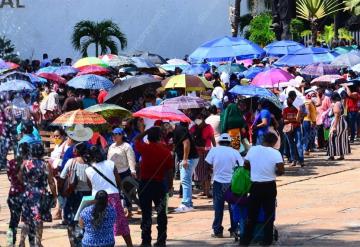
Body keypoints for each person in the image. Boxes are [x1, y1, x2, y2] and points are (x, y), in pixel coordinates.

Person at [240, 133, 284, 246]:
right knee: (269, 214)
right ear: (274, 142)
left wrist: (255, 169)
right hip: (269, 186)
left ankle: (245, 241)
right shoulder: (276, 153)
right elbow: (281, 171)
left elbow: (245, 165)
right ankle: (267, 240)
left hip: (255, 186)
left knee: (251, 215)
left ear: (263, 139)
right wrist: (272, 170)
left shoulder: (253, 150)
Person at [84, 146, 133, 247]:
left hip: (97, 198)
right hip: (113, 196)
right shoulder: (111, 164)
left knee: (99, 223)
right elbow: (119, 181)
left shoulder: (88, 170)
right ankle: (130, 245)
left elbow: (90, 186)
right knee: (121, 223)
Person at [134, 127, 174, 247]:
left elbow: (136, 139)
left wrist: (147, 131)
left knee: (146, 214)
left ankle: (146, 241)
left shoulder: (145, 148)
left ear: (148, 137)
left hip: (145, 184)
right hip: (160, 185)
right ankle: (161, 240)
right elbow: (170, 171)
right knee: (161, 214)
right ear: (160, 137)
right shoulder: (166, 151)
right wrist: (170, 186)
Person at [18, 142, 57, 247]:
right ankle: (38, 242)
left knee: (26, 219)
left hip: (28, 193)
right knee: (39, 220)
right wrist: (55, 195)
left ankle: (22, 242)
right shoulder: (45, 164)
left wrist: (27, 186)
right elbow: (51, 182)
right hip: (40, 195)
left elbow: (19, 178)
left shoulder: (25, 163)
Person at [205, 133, 243, 238]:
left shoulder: (213, 150)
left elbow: (207, 164)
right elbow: (241, 166)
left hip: (218, 182)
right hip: (232, 183)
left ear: (219, 142)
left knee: (218, 207)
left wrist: (212, 171)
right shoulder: (235, 152)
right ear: (229, 142)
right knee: (233, 207)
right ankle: (234, 230)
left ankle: (218, 231)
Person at [59, 142, 92, 246]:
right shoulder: (90, 163)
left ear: (77, 151)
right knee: (86, 220)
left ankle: (73, 244)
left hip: (73, 195)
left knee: (71, 221)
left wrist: (61, 193)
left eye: (74, 149)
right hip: (88, 195)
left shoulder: (70, 162)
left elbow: (61, 178)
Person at [107, 128, 136, 214]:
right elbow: (108, 159)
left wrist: (132, 170)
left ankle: (128, 209)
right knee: (116, 191)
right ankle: (119, 210)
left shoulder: (126, 146)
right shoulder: (111, 146)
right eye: (113, 134)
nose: (114, 136)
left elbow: (131, 159)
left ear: (122, 135)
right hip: (113, 172)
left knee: (126, 191)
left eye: (117, 134)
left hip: (124, 172)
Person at [173, 122, 199, 213]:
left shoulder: (179, 129)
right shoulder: (179, 129)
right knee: (186, 180)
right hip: (191, 158)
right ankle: (188, 203)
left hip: (189, 158)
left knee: (185, 181)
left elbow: (186, 143)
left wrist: (185, 159)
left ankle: (186, 204)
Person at [190, 112, 215, 198]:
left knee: (206, 171)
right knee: (201, 172)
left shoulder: (208, 127)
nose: (198, 120)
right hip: (198, 152)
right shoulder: (193, 128)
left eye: (199, 118)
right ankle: (205, 191)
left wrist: (214, 150)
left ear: (203, 119)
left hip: (205, 151)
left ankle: (207, 191)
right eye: (197, 119)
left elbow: (212, 139)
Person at [283, 91, 304, 166]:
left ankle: (301, 160)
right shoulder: (285, 109)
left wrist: (298, 111)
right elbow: (284, 120)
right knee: (292, 144)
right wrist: (293, 120)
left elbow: (298, 119)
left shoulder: (297, 108)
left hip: (296, 127)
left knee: (298, 144)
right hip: (288, 128)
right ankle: (294, 160)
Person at [328, 92, 351, 160]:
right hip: (343, 122)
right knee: (341, 139)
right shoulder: (341, 103)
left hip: (338, 122)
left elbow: (337, 115)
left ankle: (332, 155)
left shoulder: (336, 104)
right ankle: (341, 155)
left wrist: (334, 126)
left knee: (332, 138)